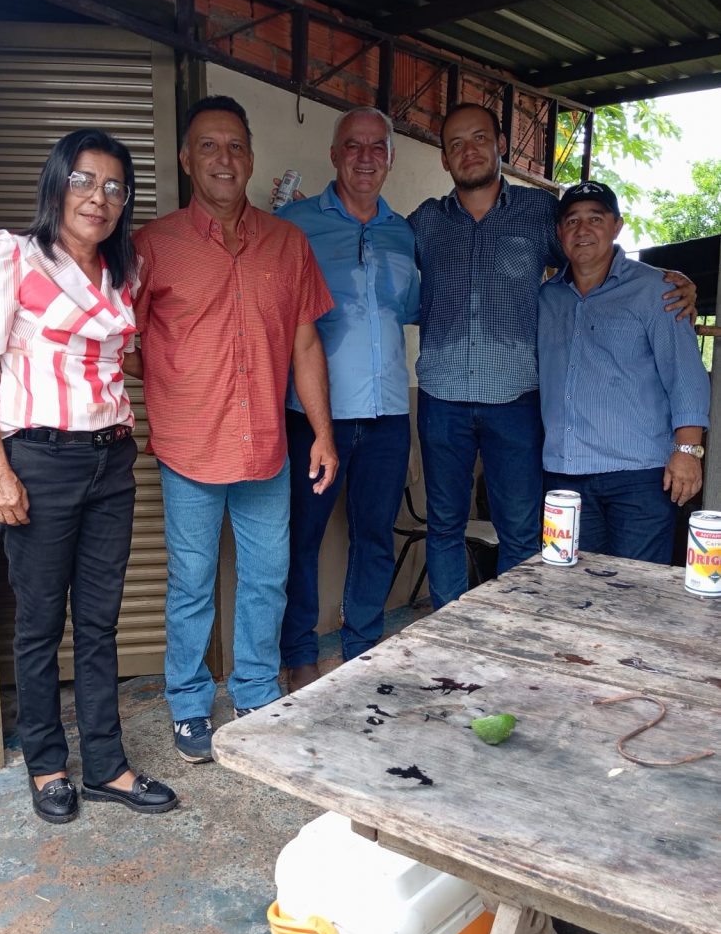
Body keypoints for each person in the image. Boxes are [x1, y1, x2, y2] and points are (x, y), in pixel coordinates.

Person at [0, 129, 178, 823]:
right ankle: (48, 765)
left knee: (101, 622)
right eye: (83, 180)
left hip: (111, 459)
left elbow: (118, 359)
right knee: (41, 624)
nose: (97, 198)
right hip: (40, 461)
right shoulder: (10, 257)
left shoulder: (122, 273)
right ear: (56, 183)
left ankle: (107, 766)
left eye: (113, 187)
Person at [407, 102, 697, 608]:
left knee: (521, 531)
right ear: (444, 158)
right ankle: (448, 632)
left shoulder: (539, 212)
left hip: (517, 400)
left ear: (501, 145)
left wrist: (674, 282)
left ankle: (519, 628)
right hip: (442, 397)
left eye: (480, 138)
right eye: (456, 143)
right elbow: (375, 258)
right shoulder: (425, 221)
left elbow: (593, 254)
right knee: (445, 526)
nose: (469, 151)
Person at [131, 96, 337, 763]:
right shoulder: (152, 246)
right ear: (186, 159)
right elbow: (123, 342)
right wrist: (176, 381)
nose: (224, 158)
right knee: (191, 582)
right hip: (188, 447)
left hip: (265, 447)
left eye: (236, 146)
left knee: (267, 577)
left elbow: (305, 344)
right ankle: (189, 701)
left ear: (250, 158)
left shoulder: (287, 243)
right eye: (209, 146)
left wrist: (324, 434)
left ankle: (253, 689)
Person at [274, 108, 420, 692]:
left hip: (388, 416)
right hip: (313, 418)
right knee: (302, 540)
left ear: (391, 158)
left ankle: (362, 647)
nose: (365, 157)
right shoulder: (293, 225)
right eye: (353, 146)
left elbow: (415, 308)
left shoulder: (404, 233)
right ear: (334, 154)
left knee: (375, 537)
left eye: (377, 147)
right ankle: (299, 652)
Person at [539, 181, 710, 562]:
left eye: (596, 219)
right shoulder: (546, 298)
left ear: (617, 226)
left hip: (639, 478)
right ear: (560, 232)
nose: (583, 230)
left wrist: (687, 451)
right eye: (572, 221)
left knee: (635, 587)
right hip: (565, 476)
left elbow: (685, 376)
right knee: (569, 587)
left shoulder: (657, 291)